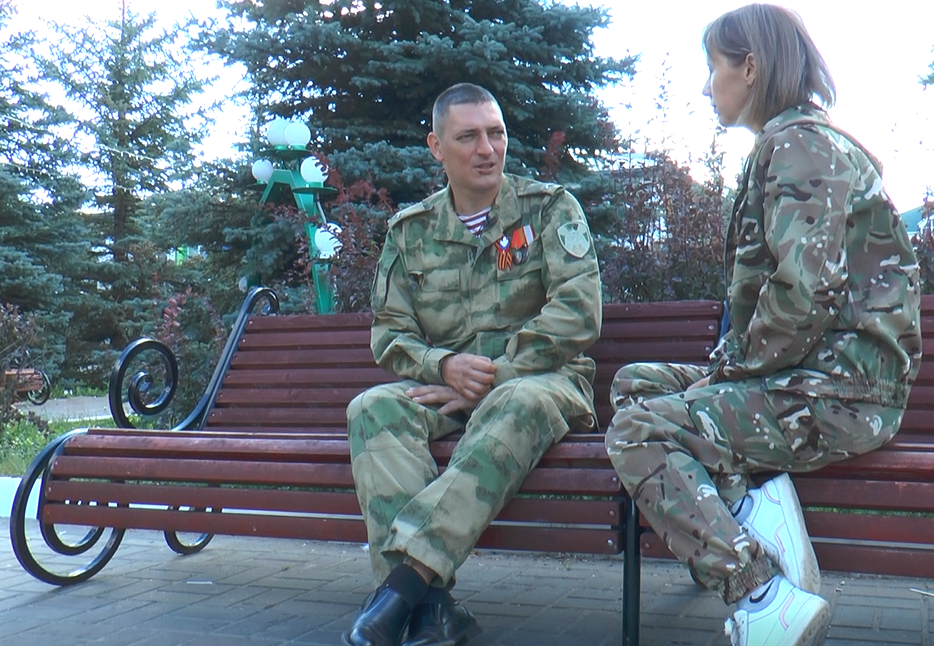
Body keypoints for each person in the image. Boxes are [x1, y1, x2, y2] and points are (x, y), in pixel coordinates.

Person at [604, 5, 922, 646]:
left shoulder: (800, 146)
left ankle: (762, 596)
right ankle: (757, 500)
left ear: (749, 67)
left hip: (839, 395)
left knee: (640, 429)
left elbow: (803, 294)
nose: (706, 87)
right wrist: (729, 371)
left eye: (712, 68)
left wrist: (729, 371)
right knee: (636, 383)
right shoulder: (789, 143)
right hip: (808, 379)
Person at [344, 82, 602, 646]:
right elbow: (389, 333)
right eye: (468, 137)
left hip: (543, 382)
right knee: (373, 407)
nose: (487, 149)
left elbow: (578, 314)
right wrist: (442, 367)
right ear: (437, 147)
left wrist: (494, 376)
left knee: (516, 399)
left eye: (496, 134)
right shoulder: (410, 232)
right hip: (452, 389)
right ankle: (432, 611)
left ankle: (399, 590)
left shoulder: (548, 209)